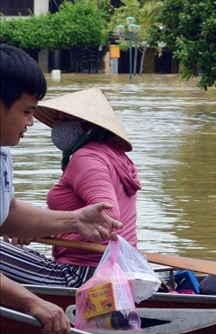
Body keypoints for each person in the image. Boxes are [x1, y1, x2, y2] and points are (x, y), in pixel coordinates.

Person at [0, 45, 122, 334]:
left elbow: (9, 212)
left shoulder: (3, 155)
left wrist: (74, 220)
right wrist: (31, 302)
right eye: (27, 111)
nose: (31, 122)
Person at [1, 87, 141, 287]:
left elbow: (108, 217)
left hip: (82, 275)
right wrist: (32, 229)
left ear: (88, 127)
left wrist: (38, 230)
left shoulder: (87, 157)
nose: (59, 127)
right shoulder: (113, 155)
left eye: (64, 121)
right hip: (114, 269)